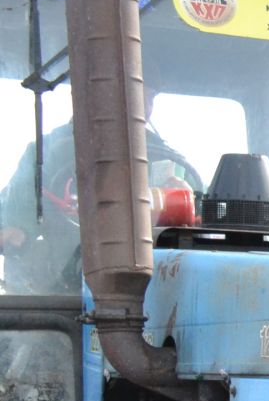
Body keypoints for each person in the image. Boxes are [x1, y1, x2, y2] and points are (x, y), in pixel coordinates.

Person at [1, 86, 201, 294]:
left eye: (149, 97)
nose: (143, 104)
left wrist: (188, 201)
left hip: (151, 289)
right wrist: (17, 231)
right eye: (133, 91)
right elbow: (13, 217)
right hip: (61, 292)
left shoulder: (165, 156)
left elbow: (200, 220)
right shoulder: (45, 153)